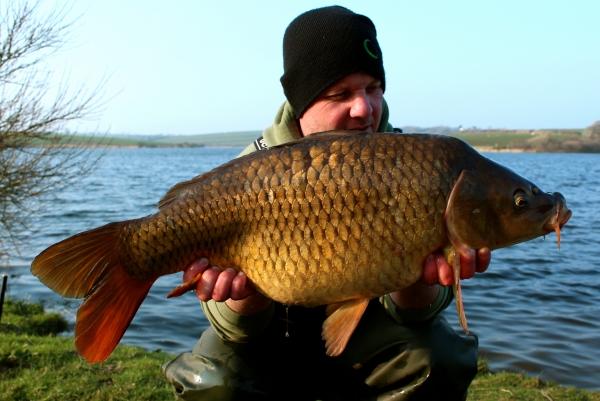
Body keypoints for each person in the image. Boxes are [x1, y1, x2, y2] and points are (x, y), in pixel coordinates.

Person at [163, 6, 490, 400]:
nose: (365, 109)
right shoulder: (247, 172)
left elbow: (414, 317)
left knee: (440, 357)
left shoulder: (410, 164)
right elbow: (235, 332)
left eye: (373, 88)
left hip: (367, 330)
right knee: (214, 384)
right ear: (301, 103)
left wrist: (419, 282)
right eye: (341, 94)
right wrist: (245, 296)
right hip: (272, 331)